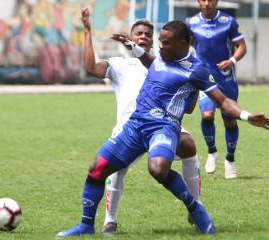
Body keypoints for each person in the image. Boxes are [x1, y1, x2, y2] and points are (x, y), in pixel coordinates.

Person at [56, 20, 269, 238]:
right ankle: (86, 225)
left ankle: (194, 206)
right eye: (159, 41)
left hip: (164, 126)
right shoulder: (160, 58)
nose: (160, 45)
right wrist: (132, 46)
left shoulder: (196, 69)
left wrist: (246, 116)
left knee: (158, 168)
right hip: (134, 125)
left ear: (182, 43)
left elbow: (223, 101)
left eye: (165, 42)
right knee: (97, 169)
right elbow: (151, 61)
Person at [79, 7, 201, 236]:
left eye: (148, 35)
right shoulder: (119, 64)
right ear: (130, 39)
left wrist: (194, 82)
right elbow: (91, 68)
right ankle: (110, 221)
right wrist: (87, 31)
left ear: (155, 43)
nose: (143, 37)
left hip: (164, 125)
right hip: (130, 128)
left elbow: (191, 108)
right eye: (139, 33)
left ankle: (195, 207)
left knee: (189, 144)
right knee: (114, 170)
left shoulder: (167, 66)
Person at [186, 0, 247, 179]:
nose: (207, 3)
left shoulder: (228, 22)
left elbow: (242, 46)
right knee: (207, 115)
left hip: (226, 80)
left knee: (229, 120)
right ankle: (212, 153)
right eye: (203, 0)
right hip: (204, 78)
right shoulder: (191, 23)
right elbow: (183, 46)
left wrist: (232, 61)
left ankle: (230, 160)